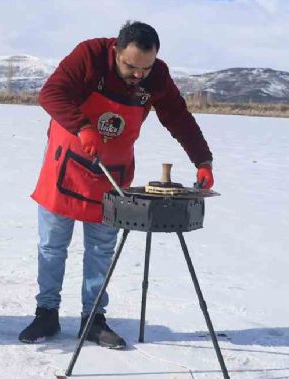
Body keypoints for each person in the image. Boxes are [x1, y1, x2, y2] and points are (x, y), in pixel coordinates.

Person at [20, 21, 214, 348]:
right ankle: (46, 313)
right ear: (116, 51)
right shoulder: (90, 55)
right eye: (130, 66)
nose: (138, 74)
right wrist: (82, 127)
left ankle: (93, 320)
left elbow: (178, 117)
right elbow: (50, 93)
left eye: (145, 68)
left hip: (113, 172)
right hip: (65, 164)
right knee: (52, 246)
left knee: (101, 249)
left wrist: (203, 160)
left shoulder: (156, 76)